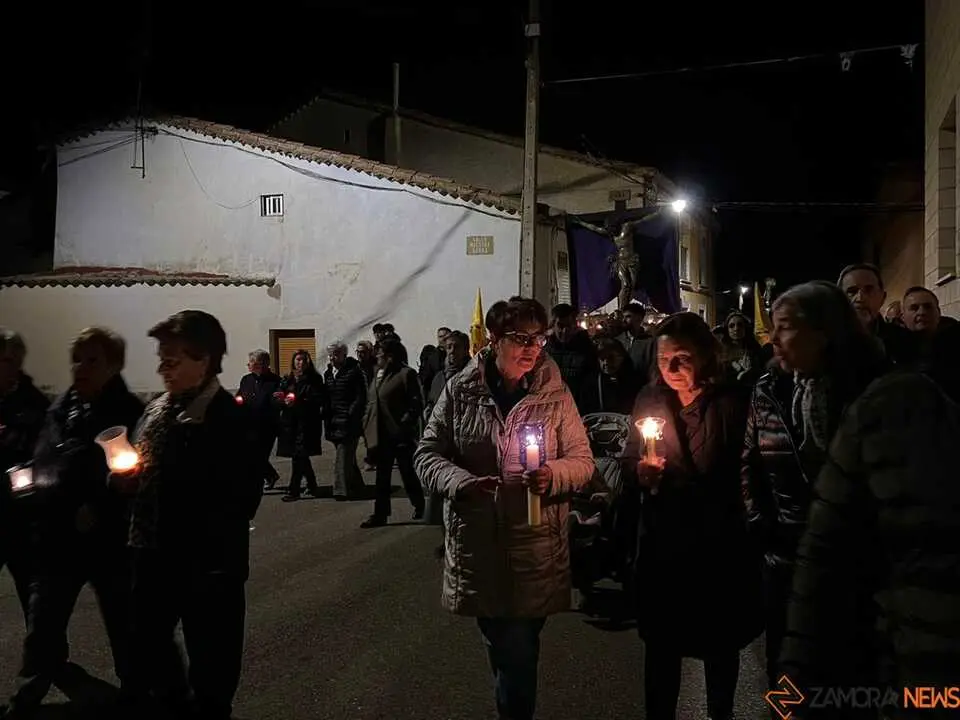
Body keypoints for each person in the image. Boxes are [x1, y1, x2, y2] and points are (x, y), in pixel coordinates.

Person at [414, 297, 593, 720]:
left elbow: (583, 461)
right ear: (494, 340)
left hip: (535, 544)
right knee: (504, 648)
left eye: (538, 338)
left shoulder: (554, 392)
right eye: (520, 338)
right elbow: (426, 454)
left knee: (517, 649)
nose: (533, 347)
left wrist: (553, 474)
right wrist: (460, 482)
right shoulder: (461, 390)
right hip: (481, 544)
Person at [740, 281, 888, 696]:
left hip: (854, 569)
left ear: (824, 331)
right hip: (784, 556)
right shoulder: (768, 389)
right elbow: (750, 461)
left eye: (786, 326)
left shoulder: (877, 393)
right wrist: (762, 524)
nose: (774, 338)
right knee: (787, 675)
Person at [120, 310, 262, 719]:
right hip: (152, 556)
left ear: (204, 361)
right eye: (161, 359)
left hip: (209, 567)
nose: (162, 369)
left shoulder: (230, 420)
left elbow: (242, 498)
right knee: (148, 647)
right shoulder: (156, 410)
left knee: (213, 671)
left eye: (172, 360)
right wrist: (127, 482)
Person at [3, 328, 145, 717]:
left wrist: (103, 500)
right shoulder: (60, 408)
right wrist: (31, 480)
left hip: (109, 540)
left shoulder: (129, 413)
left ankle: (136, 692)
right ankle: (29, 692)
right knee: (44, 621)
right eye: (76, 359)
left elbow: (135, 475)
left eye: (92, 360)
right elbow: (46, 457)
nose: (80, 367)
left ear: (114, 365)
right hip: (58, 536)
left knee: (122, 619)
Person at [628, 312, 762, 720]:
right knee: (662, 651)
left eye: (681, 358)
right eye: (663, 358)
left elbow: (752, 466)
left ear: (704, 355)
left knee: (719, 647)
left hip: (717, 545)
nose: (670, 367)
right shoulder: (650, 399)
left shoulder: (733, 401)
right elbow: (630, 457)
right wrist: (640, 472)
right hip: (664, 544)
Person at [0, 329, 49, 623]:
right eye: (6, 360)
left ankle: (42, 646)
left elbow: (46, 450)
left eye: (15, 361)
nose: (11, 368)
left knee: (33, 596)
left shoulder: (34, 403)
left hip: (20, 515)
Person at [360, 338, 424, 528]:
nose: (377, 356)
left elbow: (415, 403)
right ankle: (380, 514)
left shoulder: (406, 374)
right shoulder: (376, 373)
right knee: (382, 477)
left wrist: (405, 423)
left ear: (390, 356)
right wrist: (366, 422)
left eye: (380, 353)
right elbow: (372, 402)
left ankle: (419, 503)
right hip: (380, 434)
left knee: (407, 472)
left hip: (399, 434)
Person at [276, 350, 326, 502]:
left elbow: (317, 399)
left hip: (307, 423)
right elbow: (280, 395)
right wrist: (281, 399)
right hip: (290, 423)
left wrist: (297, 401)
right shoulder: (288, 378)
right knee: (299, 455)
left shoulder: (314, 379)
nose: (301, 363)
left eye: (304, 360)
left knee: (299, 455)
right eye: (298, 360)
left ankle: (294, 490)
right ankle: (311, 484)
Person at [323, 341, 367, 501]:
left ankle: (340, 490)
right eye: (330, 355)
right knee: (347, 457)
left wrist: (351, 413)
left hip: (349, 422)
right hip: (333, 421)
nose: (332, 358)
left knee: (342, 457)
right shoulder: (328, 374)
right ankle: (358, 486)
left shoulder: (354, 372)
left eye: (336, 354)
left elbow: (360, 396)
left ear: (344, 355)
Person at [236, 349, 282, 490]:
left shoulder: (275, 381)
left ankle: (257, 483)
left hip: (267, 425)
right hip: (249, 424)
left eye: (252, 362)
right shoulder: (246, 380)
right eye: (250, 362)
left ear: (263, 364)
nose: (249, 365)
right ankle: (270, 475)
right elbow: (239, 396)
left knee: (260, 455)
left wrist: (279, 400)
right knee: (250, 454)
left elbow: (277, 403)